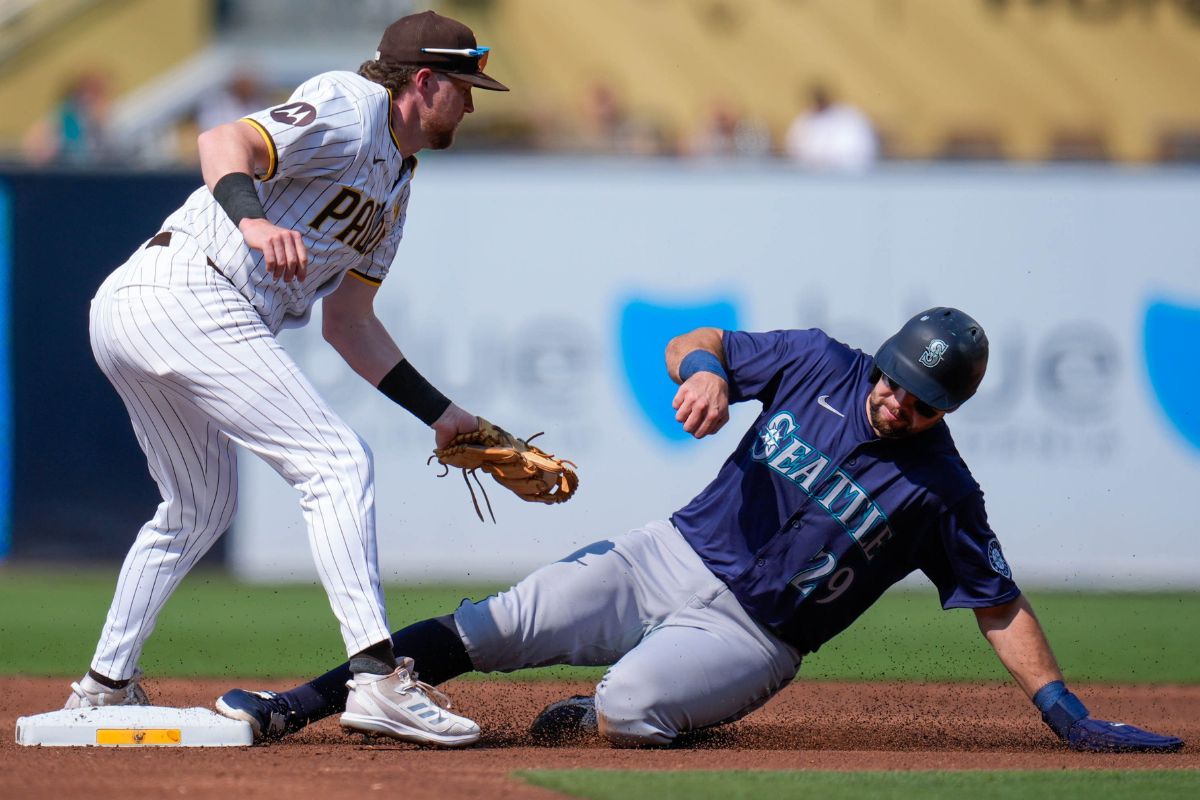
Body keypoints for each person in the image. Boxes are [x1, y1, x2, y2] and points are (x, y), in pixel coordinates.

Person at [214, 308, 1183, 753]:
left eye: (919, 398)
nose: (893, 400)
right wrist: (707, 369)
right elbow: (700, 340)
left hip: (753, 635)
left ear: (948, 407)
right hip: (662, 554)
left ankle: (596, 710)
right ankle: (297, 702)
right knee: (496, 625)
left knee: (631, 706)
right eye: (893, 378)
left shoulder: (943, 491)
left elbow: (996, 600)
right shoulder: (819, 362)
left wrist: (1062, 706)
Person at [65, 10, 510, 749]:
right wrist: (250, 223)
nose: (471, 100)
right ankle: (376, 678)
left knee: (197, 506)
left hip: (150, 307)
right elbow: (222, 141)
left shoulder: (398, 185)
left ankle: (102, 687)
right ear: (423, 81)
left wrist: (441, 413)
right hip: (188, 289)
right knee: (336, 463)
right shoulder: (349, 102)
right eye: (462, 85)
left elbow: (350, 324)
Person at [783, 83, 878, 172]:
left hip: (848, 175)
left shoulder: (849, 118)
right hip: (811, 176)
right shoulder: (804, 121)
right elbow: (794, 149)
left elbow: (859, 150)